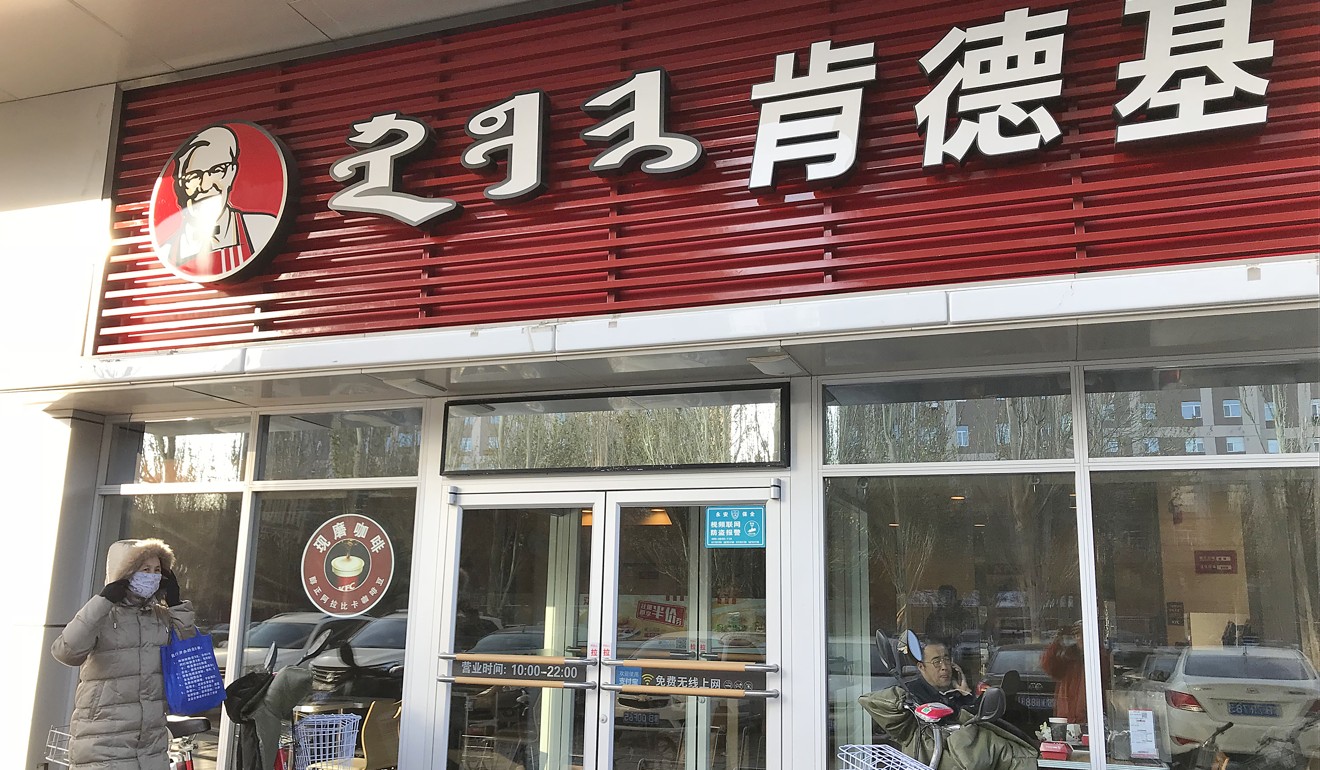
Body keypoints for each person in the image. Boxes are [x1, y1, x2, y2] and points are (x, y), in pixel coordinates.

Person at [51, 538, 196, 770]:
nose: (152, 575)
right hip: (104, 743)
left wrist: (177, 605)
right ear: (125, 572)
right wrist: (103, 600)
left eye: (157, 570)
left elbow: (189, 652)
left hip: (151, 746)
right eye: (145, 569)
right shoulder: (103, 613)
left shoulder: (161, 617)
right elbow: (67, 651)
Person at [158, 125, 277, 277]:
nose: (205, 185)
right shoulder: (167, 251)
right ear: (181, 184)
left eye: (217, 170)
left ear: (232, 172)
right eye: (194, 176)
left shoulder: (261, 228)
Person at [1041, 621, 1111, 724]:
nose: (1079, 639)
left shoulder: (1098, 656)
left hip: (1088, 717)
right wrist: (1057, 641)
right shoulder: (1068, 657)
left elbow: (1103, 676)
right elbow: (1049, 667)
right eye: (1076, 635)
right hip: (1066, 715)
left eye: (1082, 635)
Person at [909, 637, 977, 713]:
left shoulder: (954, 693)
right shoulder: (913, 697)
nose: (944, 667)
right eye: (937, 662)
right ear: (921, 667)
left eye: (947, 660)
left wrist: (965, 692)